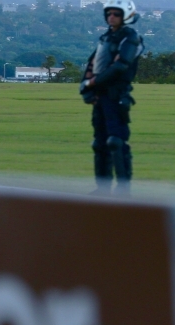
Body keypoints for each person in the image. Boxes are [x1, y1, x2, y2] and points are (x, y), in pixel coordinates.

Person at [80, 0, 143, 196]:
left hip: (116, 96)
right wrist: (86, 87)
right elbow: (93, 63)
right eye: (109, 14)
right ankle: (102, 189)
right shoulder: (106, 37)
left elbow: (120, 66)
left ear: (126, 16)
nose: (111, 17)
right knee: (99, 143)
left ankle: (123, 191)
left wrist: (92, 82)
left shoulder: (130, 37)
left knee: (116, 142)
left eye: (116, 14)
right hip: (100, 96)